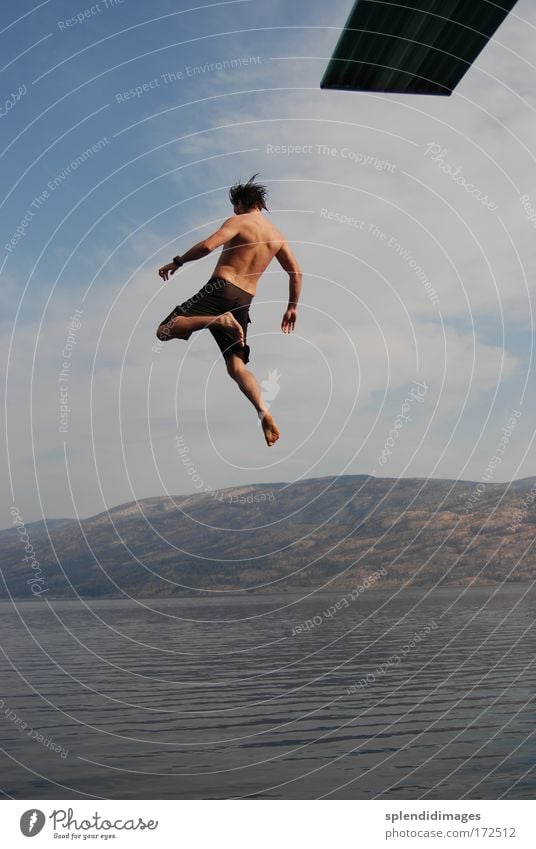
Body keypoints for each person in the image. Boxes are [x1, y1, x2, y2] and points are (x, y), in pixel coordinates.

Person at [156, 175, 302, 447]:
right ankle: (262, 410)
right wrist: (292, 307)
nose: (233, 211)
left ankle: (216, 320)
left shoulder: (238, 221)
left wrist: (178, 261)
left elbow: (209, 245)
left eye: (234, 205)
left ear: (242, 203)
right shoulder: (277, 236)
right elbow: (296, 273)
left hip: (220, 289)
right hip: (244, 300)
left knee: (164, 330)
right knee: (237, 366)